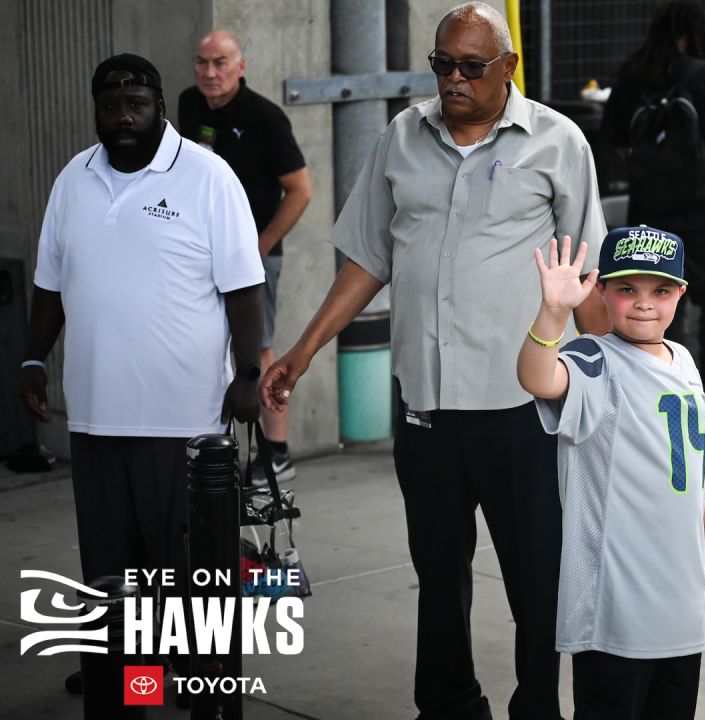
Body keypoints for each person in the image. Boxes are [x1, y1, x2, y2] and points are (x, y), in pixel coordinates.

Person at [259, 5, 607, 718]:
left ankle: (537, 705)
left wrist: (616, 383)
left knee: (537, 579)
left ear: (508, 68)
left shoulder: (558, 142)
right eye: (442, 63)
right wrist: (303, 349)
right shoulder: (401, 136)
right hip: (425, 405)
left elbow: (587, 275)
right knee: (439, 572)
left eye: (470, 67)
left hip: (524, 410)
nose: (453, 79)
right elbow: (368, 257)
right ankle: (449, 704)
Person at [20, 53, 263, 704]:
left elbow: (244, 291)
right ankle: (132, 689)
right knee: (111, 579)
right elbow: (51, 282)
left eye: (136, 104)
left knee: (190, 578)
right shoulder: (75, 179)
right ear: (96, 110)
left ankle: (201, 690)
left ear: (159, 105)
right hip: (98, 421)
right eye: (110, 105)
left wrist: (249, 374)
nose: (123, 116)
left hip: (182, 422)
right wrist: (33, 358)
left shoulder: (208, 178)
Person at [517, 229, 705, 720]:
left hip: (680, 595)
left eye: (660, 291)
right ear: (601, 291)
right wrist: (553, 313)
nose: (643, 304)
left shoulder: (683, 361)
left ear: (681, 293)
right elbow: (540, 377)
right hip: (614, 605)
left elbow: (692, 472)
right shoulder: (594, 360)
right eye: (626, 290)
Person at [602, 0, 705, 427]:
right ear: (694, 33)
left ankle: (663, 396)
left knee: (661, 312)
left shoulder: (632, 77)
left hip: (652, 218)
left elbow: (616, 142)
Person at [178, 29, 313, 481]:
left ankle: (276, 452)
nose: (210, 72)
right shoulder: (188, 104)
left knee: (258, 343)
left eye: (220, 63)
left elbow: (300, 190)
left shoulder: (264, 117)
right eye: (202, 62)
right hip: (201, 251)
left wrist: (262, 243)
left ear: (241, 66)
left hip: (255, 255)